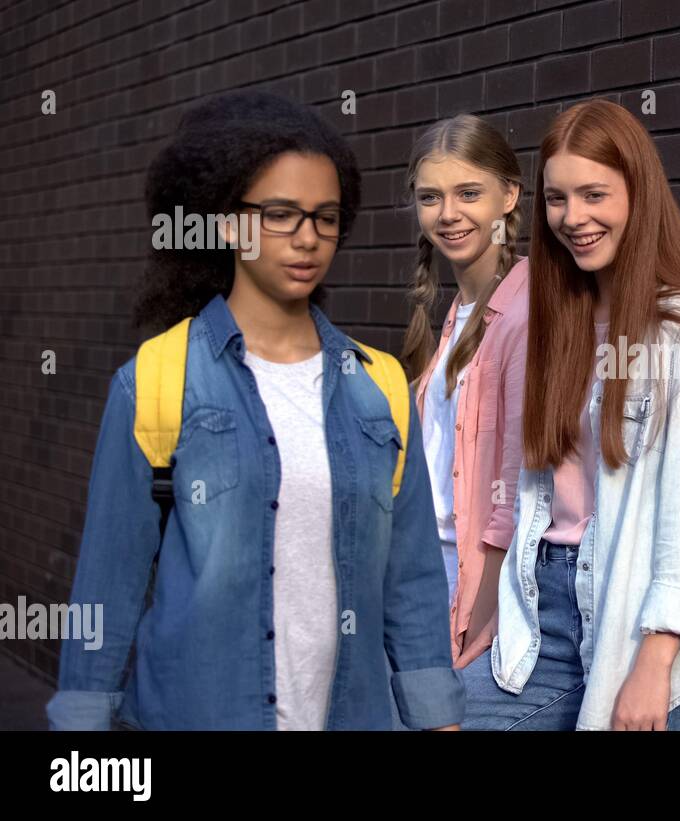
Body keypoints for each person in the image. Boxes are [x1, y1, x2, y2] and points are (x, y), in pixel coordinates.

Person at [46, 91, 463, 731]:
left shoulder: (378, 387)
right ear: (226, 221)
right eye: (280, 214)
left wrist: (439, 717)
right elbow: (108, 586)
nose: (308, 238)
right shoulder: (157, 380)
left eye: (326, 218)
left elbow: (411, 584)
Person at [460, 99, 680, 731]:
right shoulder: (558, 323)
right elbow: (532, 494)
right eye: (557, 199)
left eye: (594, 194)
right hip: (541, 621)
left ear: (638, 195)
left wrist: (653, 662)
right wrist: (498, 614)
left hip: (643, 627)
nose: (574, 218)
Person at [401, 114, 529, 670]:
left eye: (468, 193)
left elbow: (517, 491)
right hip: (419, 576)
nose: (448, 214)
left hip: (468, 586)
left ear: (509, 196)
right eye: (431, 197)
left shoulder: (528, 310)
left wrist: (476, 627)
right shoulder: (453, 316)